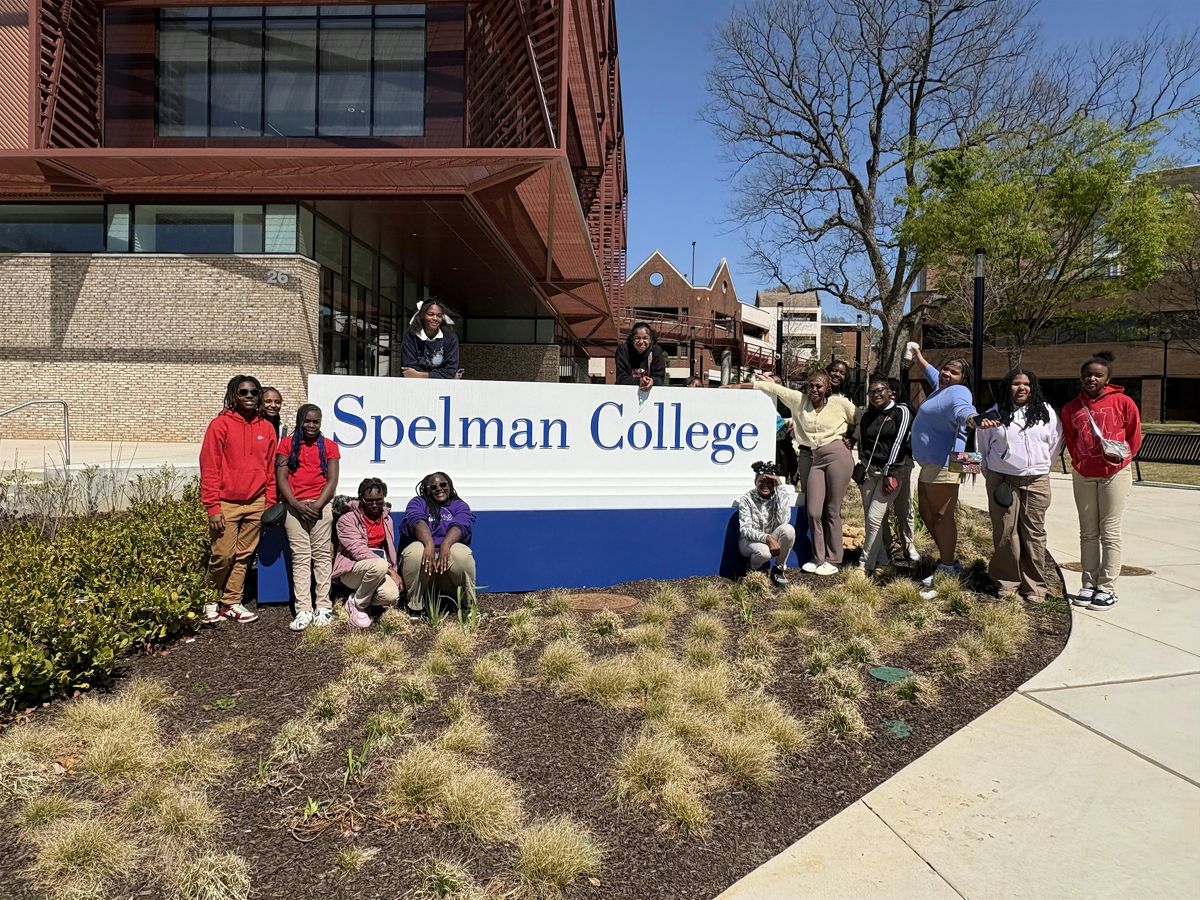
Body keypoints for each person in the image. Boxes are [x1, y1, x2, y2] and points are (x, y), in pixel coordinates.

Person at [753, 370, 856, 576]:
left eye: (819, 386)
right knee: (814, 511)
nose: (814, 389)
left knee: (832, 510)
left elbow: (862, 418)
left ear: (827, 387)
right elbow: (774, 388)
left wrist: (853, 439)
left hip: (838, 456)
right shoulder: (800, 401)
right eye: (811, 385)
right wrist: (733, 387)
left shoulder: (839, 403)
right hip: (816, 459)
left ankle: (834, 559)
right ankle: (818, 557)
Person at [1060, 351, 1142, 610]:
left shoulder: (1123, 402)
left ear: (1107, 379)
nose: (1092, 379)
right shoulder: (1071, 408)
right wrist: (1079, 463)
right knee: (1088, 533)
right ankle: (1088, 583)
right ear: (1080, 378)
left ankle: (1107, 588)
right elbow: (1071, 439)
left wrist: (1121, 461)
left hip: (1114, 474)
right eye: (1087, 375)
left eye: (1098, 375)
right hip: (1084, 474)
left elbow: (1134, 435)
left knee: (1110, 532)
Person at [977, 369, 1063, 601]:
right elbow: (982, 446)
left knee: (1034, 532)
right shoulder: (994, 413)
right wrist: (992, 471)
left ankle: (1034, 586)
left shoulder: (1046, 413)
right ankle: (1006, 582)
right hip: (1002, 480)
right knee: (1006, 531)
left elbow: (1054, 444)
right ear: (1008, 386)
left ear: (1033, 388)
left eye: (1027, 384)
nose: (1022, 388)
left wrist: (1039, 467)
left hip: (1036, 480)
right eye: (1016, 383)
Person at [908, 344, 988, 591]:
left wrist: (972, 419)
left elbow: (964, 410)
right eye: (946, 369)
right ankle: (949, 560)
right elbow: (933, 373)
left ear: (963, 378)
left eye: (954, 372)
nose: (946, 374)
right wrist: (919, 358)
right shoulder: (941, 388)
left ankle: (948, 567)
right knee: (927, 514)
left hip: (948, 462)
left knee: (942, 516)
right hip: (933, 462)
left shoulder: (959, 392)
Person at [199, 375, 278, 624]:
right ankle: (209, 599)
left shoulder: (266, 428)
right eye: (243, 392)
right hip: (226, 503)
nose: (249, 397)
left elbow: (270, 469)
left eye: (254, 392)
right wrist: (213, 506)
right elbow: (209, 467)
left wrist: (269, 502)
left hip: (256, 502)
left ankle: (231, 602)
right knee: (223, 555)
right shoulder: (219, 425)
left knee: (244, 556)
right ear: (234, 395)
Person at [276, 404, 341, 631]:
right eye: (307, 421)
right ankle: (304, 609)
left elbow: (332, 480)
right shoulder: (287, 445)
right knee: (301, 557)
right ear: (299, 421)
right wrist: (296, 505)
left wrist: (317, 505)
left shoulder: (330, 446)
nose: (311, 425)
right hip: (294, 506)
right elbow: (282, 478)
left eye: (316, 421)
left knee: (322, 556)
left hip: (320, 506)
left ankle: (323, 606)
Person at [856, 374, 913, 575]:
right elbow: (864, 446)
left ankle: (864, 565)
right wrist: (863, 468)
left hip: (892, 473)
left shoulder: (901, 412)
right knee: (871, 520)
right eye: (872, 392)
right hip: (870, 473)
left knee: (874, 518)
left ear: (890, 392)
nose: (876, 395)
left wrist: (890, 471)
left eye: (880, 390)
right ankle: (882, 559)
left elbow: (899, 443)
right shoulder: (867, 416)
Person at [400, 472, 477, 617]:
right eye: (433, 487)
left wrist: (445, 545)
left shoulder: (459, 505)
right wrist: (429, 544)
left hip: (447, 572)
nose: (439, 489)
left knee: (461, 552)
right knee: (416, 550)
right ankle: (415, 607)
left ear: (450, 485)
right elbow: (416, 520)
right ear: (426, 489)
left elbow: (460, 525)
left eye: (443, 484)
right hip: (425, 570)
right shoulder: (418, 502)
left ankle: (468, 606)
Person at [333, 478, 403, 628]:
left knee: (391, 596)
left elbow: (389, 550)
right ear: (361, 498)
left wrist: (393, 570)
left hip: (378, 569)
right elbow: (357, 550)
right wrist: (390, 570)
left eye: (379, 500)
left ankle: (355, 598)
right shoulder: (347, 519)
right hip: (352, 569)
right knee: (379, 565)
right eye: (369, 501)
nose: (375, 505)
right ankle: (358, 605)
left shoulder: (387, 519)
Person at [736, 461, 796, 587]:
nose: (765, 485)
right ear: (755, 481)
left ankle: (778, 570)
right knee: (764, 552)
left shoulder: (778, 496)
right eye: (762, 481)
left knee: (789, 530)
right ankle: (753, 570)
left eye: (770, 482)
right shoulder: (747, 499)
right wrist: (767, 538)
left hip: (771, 539)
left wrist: (780, 487)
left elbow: (784, 520)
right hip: (749, 542)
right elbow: (745, 530)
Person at [885, 376, 920, 563]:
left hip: (904, 463)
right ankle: (885, 547)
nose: (892, 392)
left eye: (895, 389)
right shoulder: (877, 412)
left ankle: (908, 545)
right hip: (881, 467)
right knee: (882, 510)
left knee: (905, 507)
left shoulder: (905, 410)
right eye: (888, 389)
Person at [401, 300, 460, 379]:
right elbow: (409, 368)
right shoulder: (411, 335)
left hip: (442, 384)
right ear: (422, 316)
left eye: (439, 316)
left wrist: (421, 375)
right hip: (416, 383)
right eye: (430, 314)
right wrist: (444, 375)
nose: (435, 318)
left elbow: (450, 370)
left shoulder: (450, 337)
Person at [615, 322, 666, 390]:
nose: (641, 342)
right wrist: (639, 381)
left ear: (650, 340)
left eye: (645, 338)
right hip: (625, 391)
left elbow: (660, 378)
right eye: (637, 338)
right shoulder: (623, 350)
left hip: (650, 392)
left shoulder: (656, 351)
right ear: (632, 339)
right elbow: (621, 378)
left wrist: (652, 381)